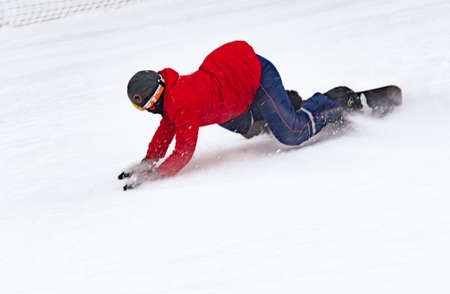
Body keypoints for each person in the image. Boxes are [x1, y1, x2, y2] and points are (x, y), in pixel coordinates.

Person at [118, 40, 362, 190]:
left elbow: (183, 151)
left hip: (256, 76)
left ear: (154, 100)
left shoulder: (182, 104)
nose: (146, 112)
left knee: (291, 134)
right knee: (250, 128)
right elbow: (166, 129)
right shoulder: (172, 98)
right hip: (236, 94)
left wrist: (158, 174)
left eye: (143, 106)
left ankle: (336, 103)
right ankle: (284, 105)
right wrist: (147, 162)